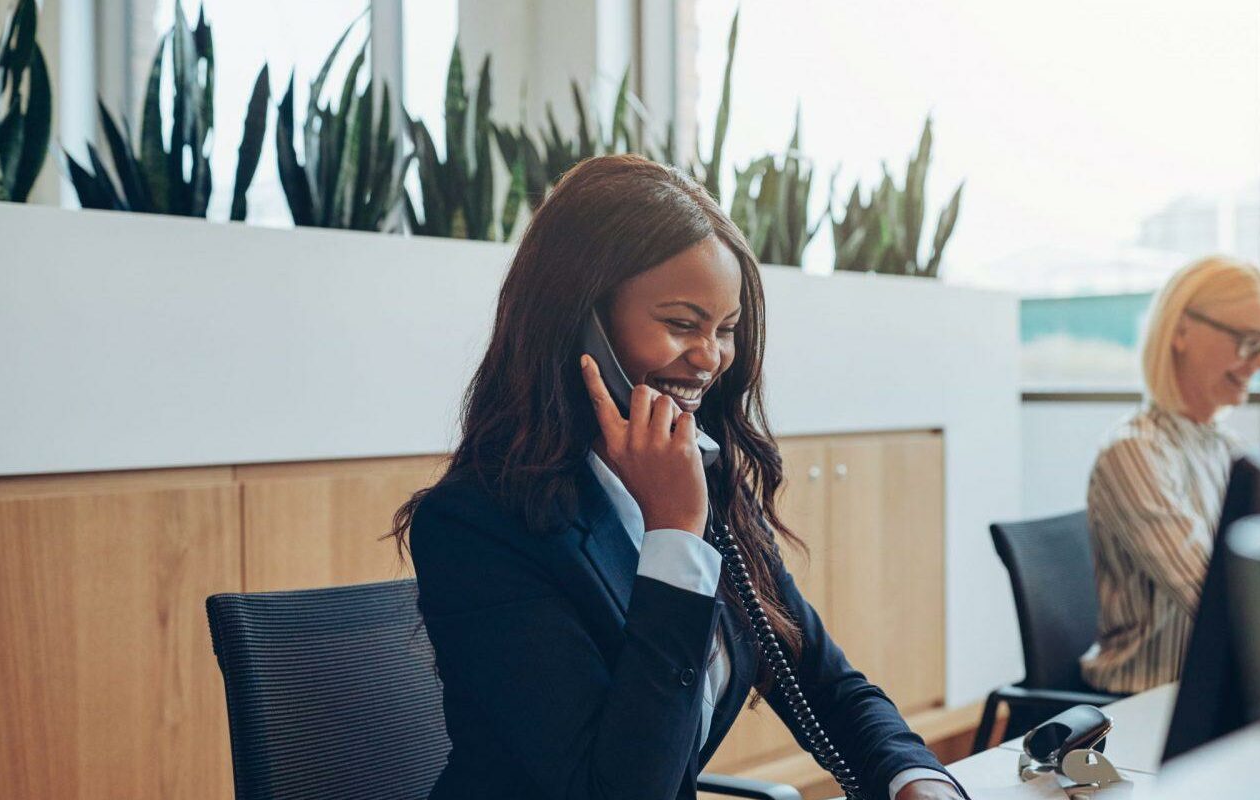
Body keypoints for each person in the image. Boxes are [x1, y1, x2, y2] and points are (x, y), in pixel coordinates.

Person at [393, 155, 966, 800]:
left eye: (725, 330)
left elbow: (824, 683)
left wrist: (915, 779)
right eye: (680, 324)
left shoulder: (708, 487)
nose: (710, 358)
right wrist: (674, 538)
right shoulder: (479, 526)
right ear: (581, 322)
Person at [1080, 256, 1260, 694]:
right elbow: (1214, 598)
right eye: (1250, 342)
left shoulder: (1228, 449)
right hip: (1147, 699)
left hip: (1215, 690)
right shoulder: (1135, 451)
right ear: (1181, 331)